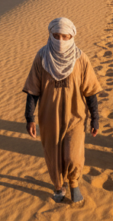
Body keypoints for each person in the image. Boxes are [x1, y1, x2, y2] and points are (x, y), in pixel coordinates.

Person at [23, 17, 103, 203]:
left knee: (73, 156)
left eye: (65, 37)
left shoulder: (81, 58)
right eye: (56, 36)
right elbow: (33, 90)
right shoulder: (42, 57)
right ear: (50, 35)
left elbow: (91, 91)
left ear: (71, 36)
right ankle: (58, 186)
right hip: (49, 118)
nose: (60, 41)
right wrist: (30, 118)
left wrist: (95, 118)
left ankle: (74, 183)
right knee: (53, 155)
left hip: (75, 117)